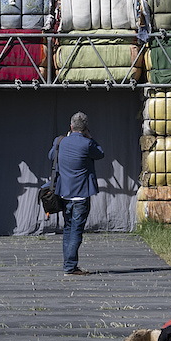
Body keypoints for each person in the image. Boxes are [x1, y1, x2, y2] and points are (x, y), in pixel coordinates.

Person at [49, 112, 104, 275]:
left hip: (65, 194)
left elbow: (51, 156)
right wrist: (89, 137)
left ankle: (68, 264)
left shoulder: (60, 142)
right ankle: (70, 267)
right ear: (86, 128)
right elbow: (100, 153)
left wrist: (64, 140)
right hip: (81, 195)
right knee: (76, 231)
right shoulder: (87, 144)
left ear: (71, 127)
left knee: (68, 228)